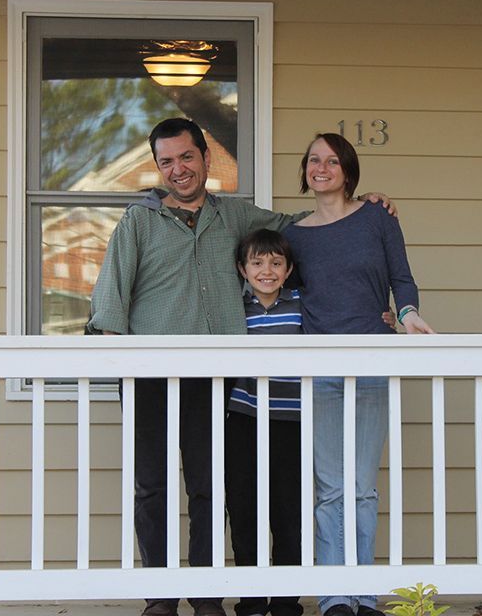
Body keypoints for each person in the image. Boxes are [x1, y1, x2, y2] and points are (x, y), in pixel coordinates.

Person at [88, 118, 394, 616]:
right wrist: (121, 361)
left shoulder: (233, 216)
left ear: (206, 158)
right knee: (153, 488)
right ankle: (162, 598)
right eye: (166, 161)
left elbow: (298, 224)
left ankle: (208, 596)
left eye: (186, 157)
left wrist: (358, 207)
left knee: (209, 489)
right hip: (148, 375)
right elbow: (110, 304)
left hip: (216, 382)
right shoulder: (139, 221)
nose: (178, 169)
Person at [283, 133, 435, 616]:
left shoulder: (377, 217)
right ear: (305, 171)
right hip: (320, 368)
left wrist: (406, 314)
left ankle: (364, 594)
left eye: (331, 161)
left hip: (373, 362)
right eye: (313, 161)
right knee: (331, 489)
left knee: (362, 487)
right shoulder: (294, 233)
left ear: (348, 170)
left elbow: (401, 278)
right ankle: (335, 599)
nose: (321, 168)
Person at [225, 228, 304, 616]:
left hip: (291, 421)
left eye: (275, 263)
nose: (266, 270)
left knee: (288, 511)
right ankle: (252, 600)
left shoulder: (303, 306)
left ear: (288, 269)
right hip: (243, 418)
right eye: (257, 263)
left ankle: (286, 600)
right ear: (242, 268)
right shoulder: (233, 308)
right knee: (244, 509)